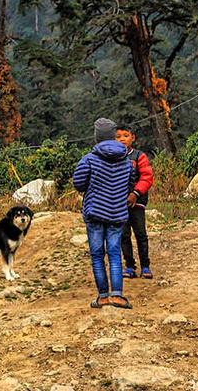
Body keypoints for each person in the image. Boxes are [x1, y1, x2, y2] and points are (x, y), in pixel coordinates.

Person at [71, 117, 136, 309]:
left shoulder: (89, 159)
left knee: (97, 255)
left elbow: (79, 184)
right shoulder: (126, 160)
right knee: (115, 254)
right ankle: (117, 295)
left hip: (95, 214)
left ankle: (103, 297)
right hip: (117, 214)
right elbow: (130, 184)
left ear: (96, 138)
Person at [115, 122, 154, 279]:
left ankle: (145, 266)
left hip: (137, 202)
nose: (122, 139)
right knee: (123, 235)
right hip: (119, 204)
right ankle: (130, 266)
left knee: (140, 234)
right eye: (118, 137)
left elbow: (147, 176)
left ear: (133, 138)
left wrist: (135, 193)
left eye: (126, 136)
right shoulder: (112, 158)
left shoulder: (139, 156)